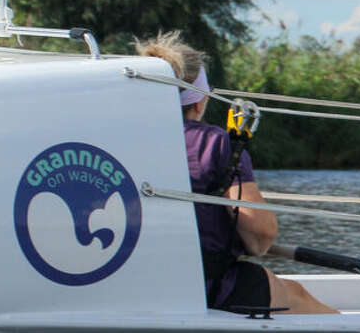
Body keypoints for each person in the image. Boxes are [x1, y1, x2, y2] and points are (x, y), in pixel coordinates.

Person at [136, 32, 336, 314]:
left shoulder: (118, 139)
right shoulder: (216, 144)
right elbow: (261, 235)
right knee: (294, 294)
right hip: (201, 288)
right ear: (199, 101)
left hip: (132, 281)